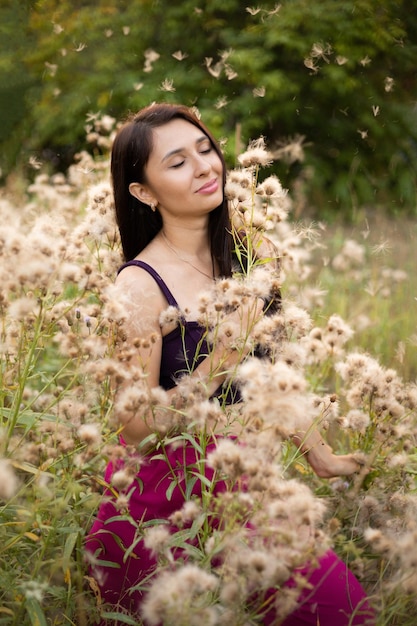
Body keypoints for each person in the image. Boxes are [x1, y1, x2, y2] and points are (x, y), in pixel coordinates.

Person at [86, 103, 375, 625]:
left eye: (204, 149)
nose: (204, 167)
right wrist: (219, 359)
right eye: (176, 162)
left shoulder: (248, 253)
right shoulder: (139, 286)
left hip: (247, 480)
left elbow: (268, 376)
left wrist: (319, 454)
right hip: (164, 506)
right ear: (143, 192)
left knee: (343, 613)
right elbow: (135, 429)